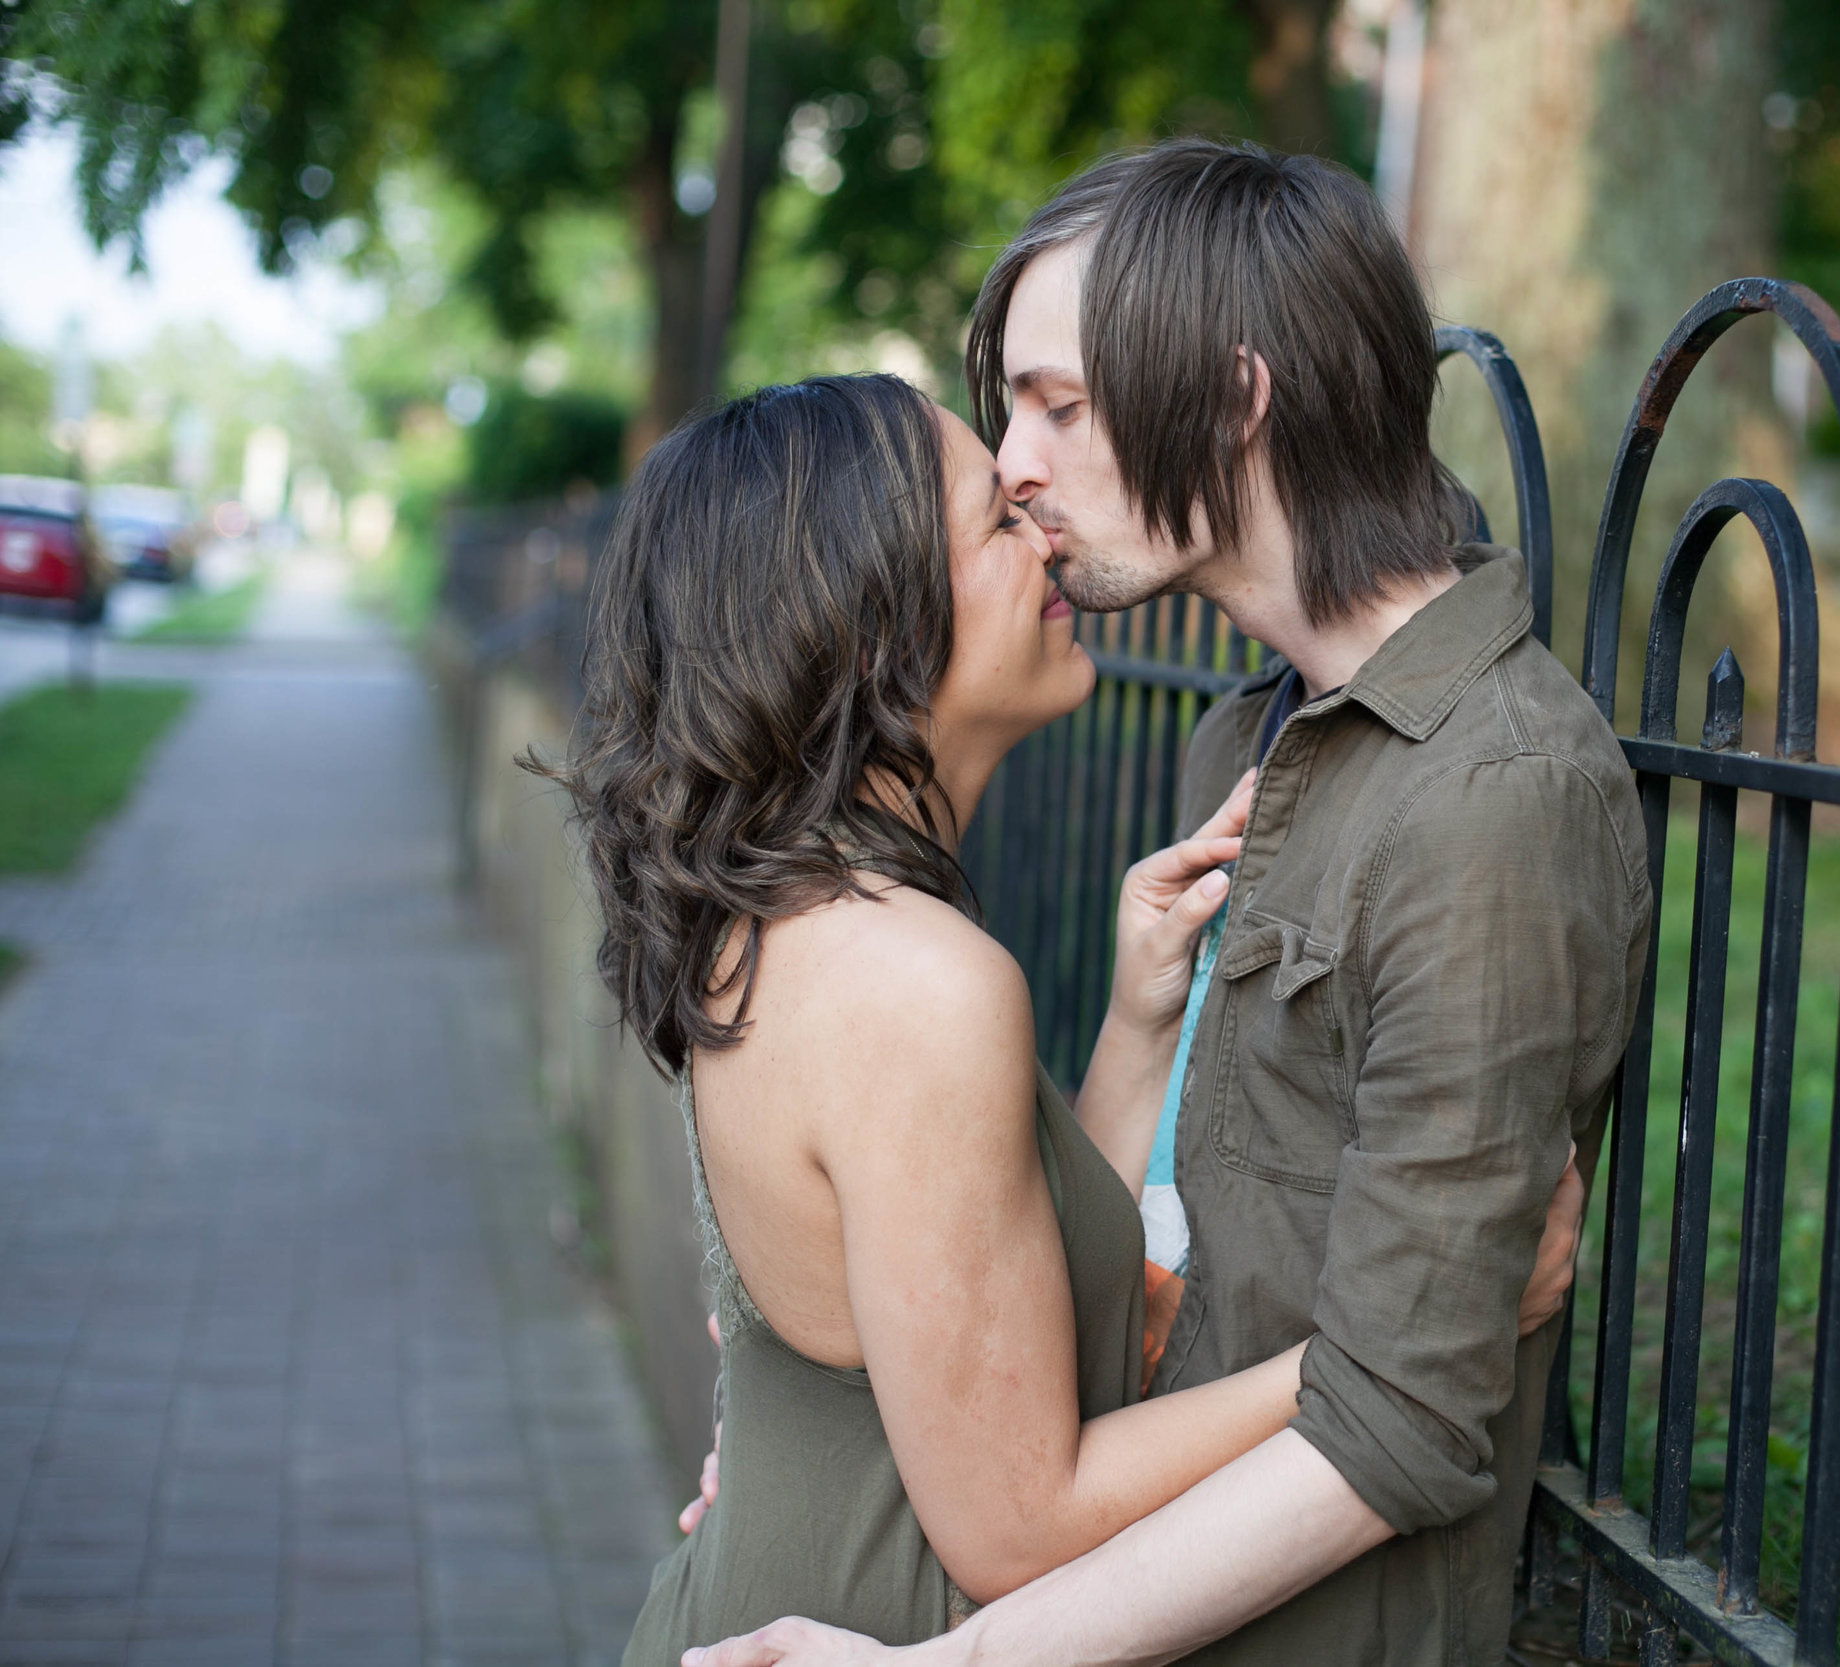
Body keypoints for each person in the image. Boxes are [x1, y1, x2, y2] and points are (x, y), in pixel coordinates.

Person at [685, 139, 1650, 1667]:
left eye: (1059, 406)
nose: (1012, 461)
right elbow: (1147, 1264)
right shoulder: (1241, 739)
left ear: (1232, 400)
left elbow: (1400, 1422)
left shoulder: (1496, 791)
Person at [548, 374, 1583, 1662]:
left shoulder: (790, 917)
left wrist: (1138, 1022)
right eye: (993, 521)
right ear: (874, 630)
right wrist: (1415, 1338)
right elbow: (1023, 1525)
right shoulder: (911, 982)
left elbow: (987, 1302)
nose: (1043, 531)